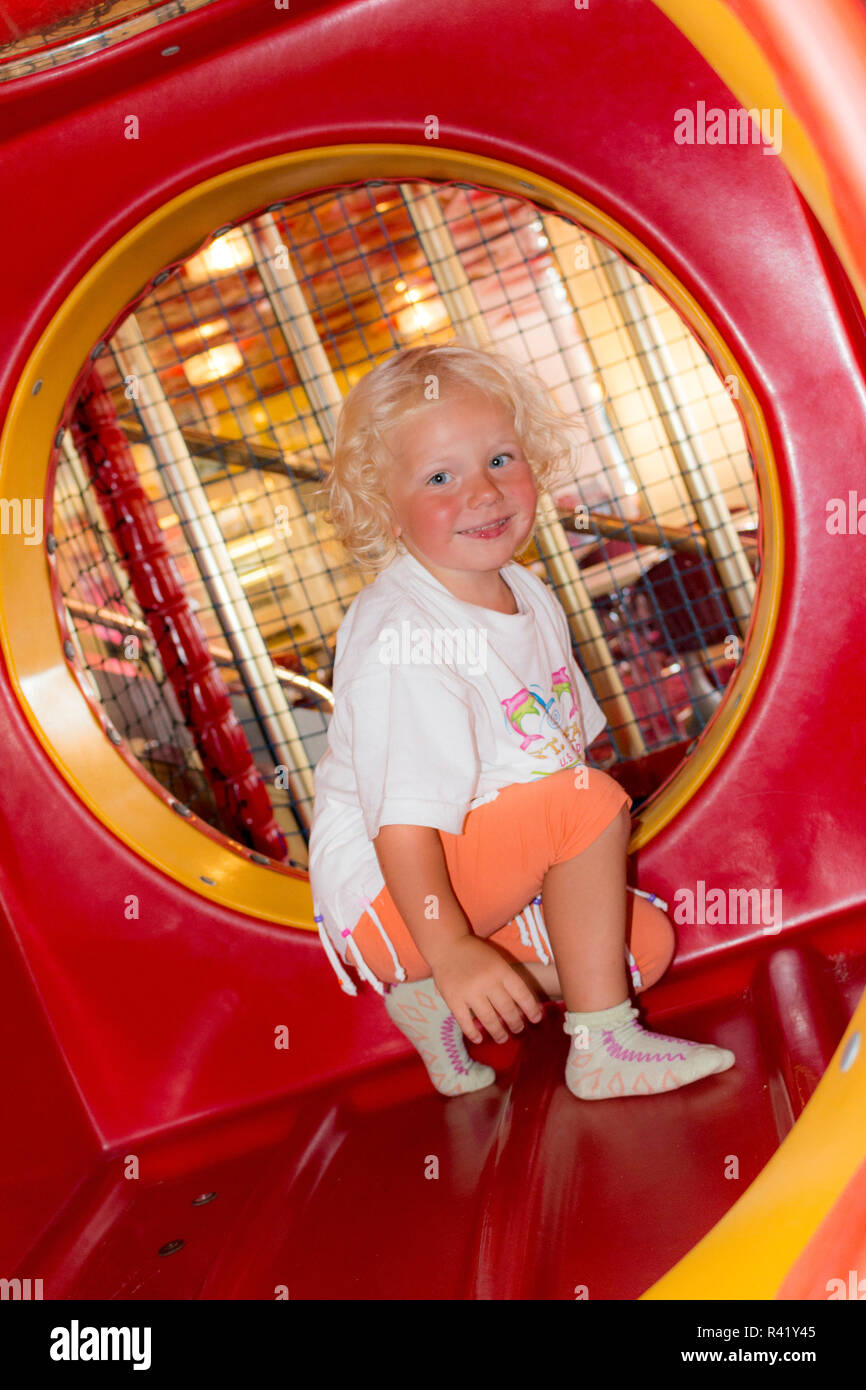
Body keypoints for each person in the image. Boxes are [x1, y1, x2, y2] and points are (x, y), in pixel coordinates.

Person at [308, 340, 735, 1100]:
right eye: (441, 477)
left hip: (479, 871)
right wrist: (450, 948)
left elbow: (550, 751)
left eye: (501, 459)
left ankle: (431, 1002)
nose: (483, 493)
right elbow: (401, 827)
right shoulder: (403, 638)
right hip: (395, 897)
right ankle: (602, 1047)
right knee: (587, 800)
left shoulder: (524, 591)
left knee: (641, 948)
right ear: (385, 510)